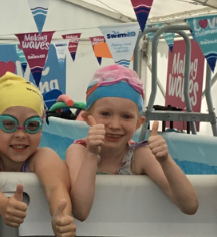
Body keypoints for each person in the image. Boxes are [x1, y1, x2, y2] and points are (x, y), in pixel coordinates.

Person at [66, 64, 198, 219]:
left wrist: (165, 160)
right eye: (105, 114)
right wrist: (92, 153)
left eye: (126, 116)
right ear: (88, 118)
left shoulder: (140, 155)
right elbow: (80, 212)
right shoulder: (79, 151)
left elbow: (190, 206)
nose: (115, 125)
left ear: (138, 123)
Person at [0, 72, 76, 237]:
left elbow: (56, 188)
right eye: (9, 124)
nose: (20, 134)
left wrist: (61, 216)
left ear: (41, 128)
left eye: (32, 125)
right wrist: (3, 205)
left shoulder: (44, 157)